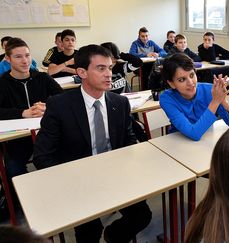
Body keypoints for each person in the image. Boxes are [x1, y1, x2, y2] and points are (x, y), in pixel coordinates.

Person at [33, 44, 152, 243]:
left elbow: (129, 142)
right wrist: (70, 180)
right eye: (101, 68)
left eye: (110, 68)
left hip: (114, 174)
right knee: (89, 231)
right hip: (78, 180)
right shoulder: (59, 105)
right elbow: (42, 156)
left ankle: (113, 235)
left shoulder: (119, 103)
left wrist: (129, 168)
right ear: (82, 72)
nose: (109, 74)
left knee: (142, 216)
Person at [0, 37, 62, 185]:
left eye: (27, 55)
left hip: (48, 132)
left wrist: (48, 106)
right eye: (18, 57)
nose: (25, 61)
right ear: (7, 59)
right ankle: (24, 199)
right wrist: (23, 113)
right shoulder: (2, 83)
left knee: (65, 158)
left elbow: (63, 97)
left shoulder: (42, 77)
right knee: (13, 169)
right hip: (18, 138)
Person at [159, 53, 229, 141]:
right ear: (171, 83)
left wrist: (222, 100)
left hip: (206, 138)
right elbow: (194, 133)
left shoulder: (210, 90)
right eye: (181, 79)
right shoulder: (167, 98)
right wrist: (215, 101)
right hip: (179, 141)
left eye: (191, 75)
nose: (190, 83)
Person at [101, 41, 147, 142]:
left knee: (137, 130)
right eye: (108, 57)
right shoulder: (100, 72)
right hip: (110, 106)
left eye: (113, 57)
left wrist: (120, 54)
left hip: (124, 104)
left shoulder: (120, 67)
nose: (112, 61)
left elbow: (138, 62)